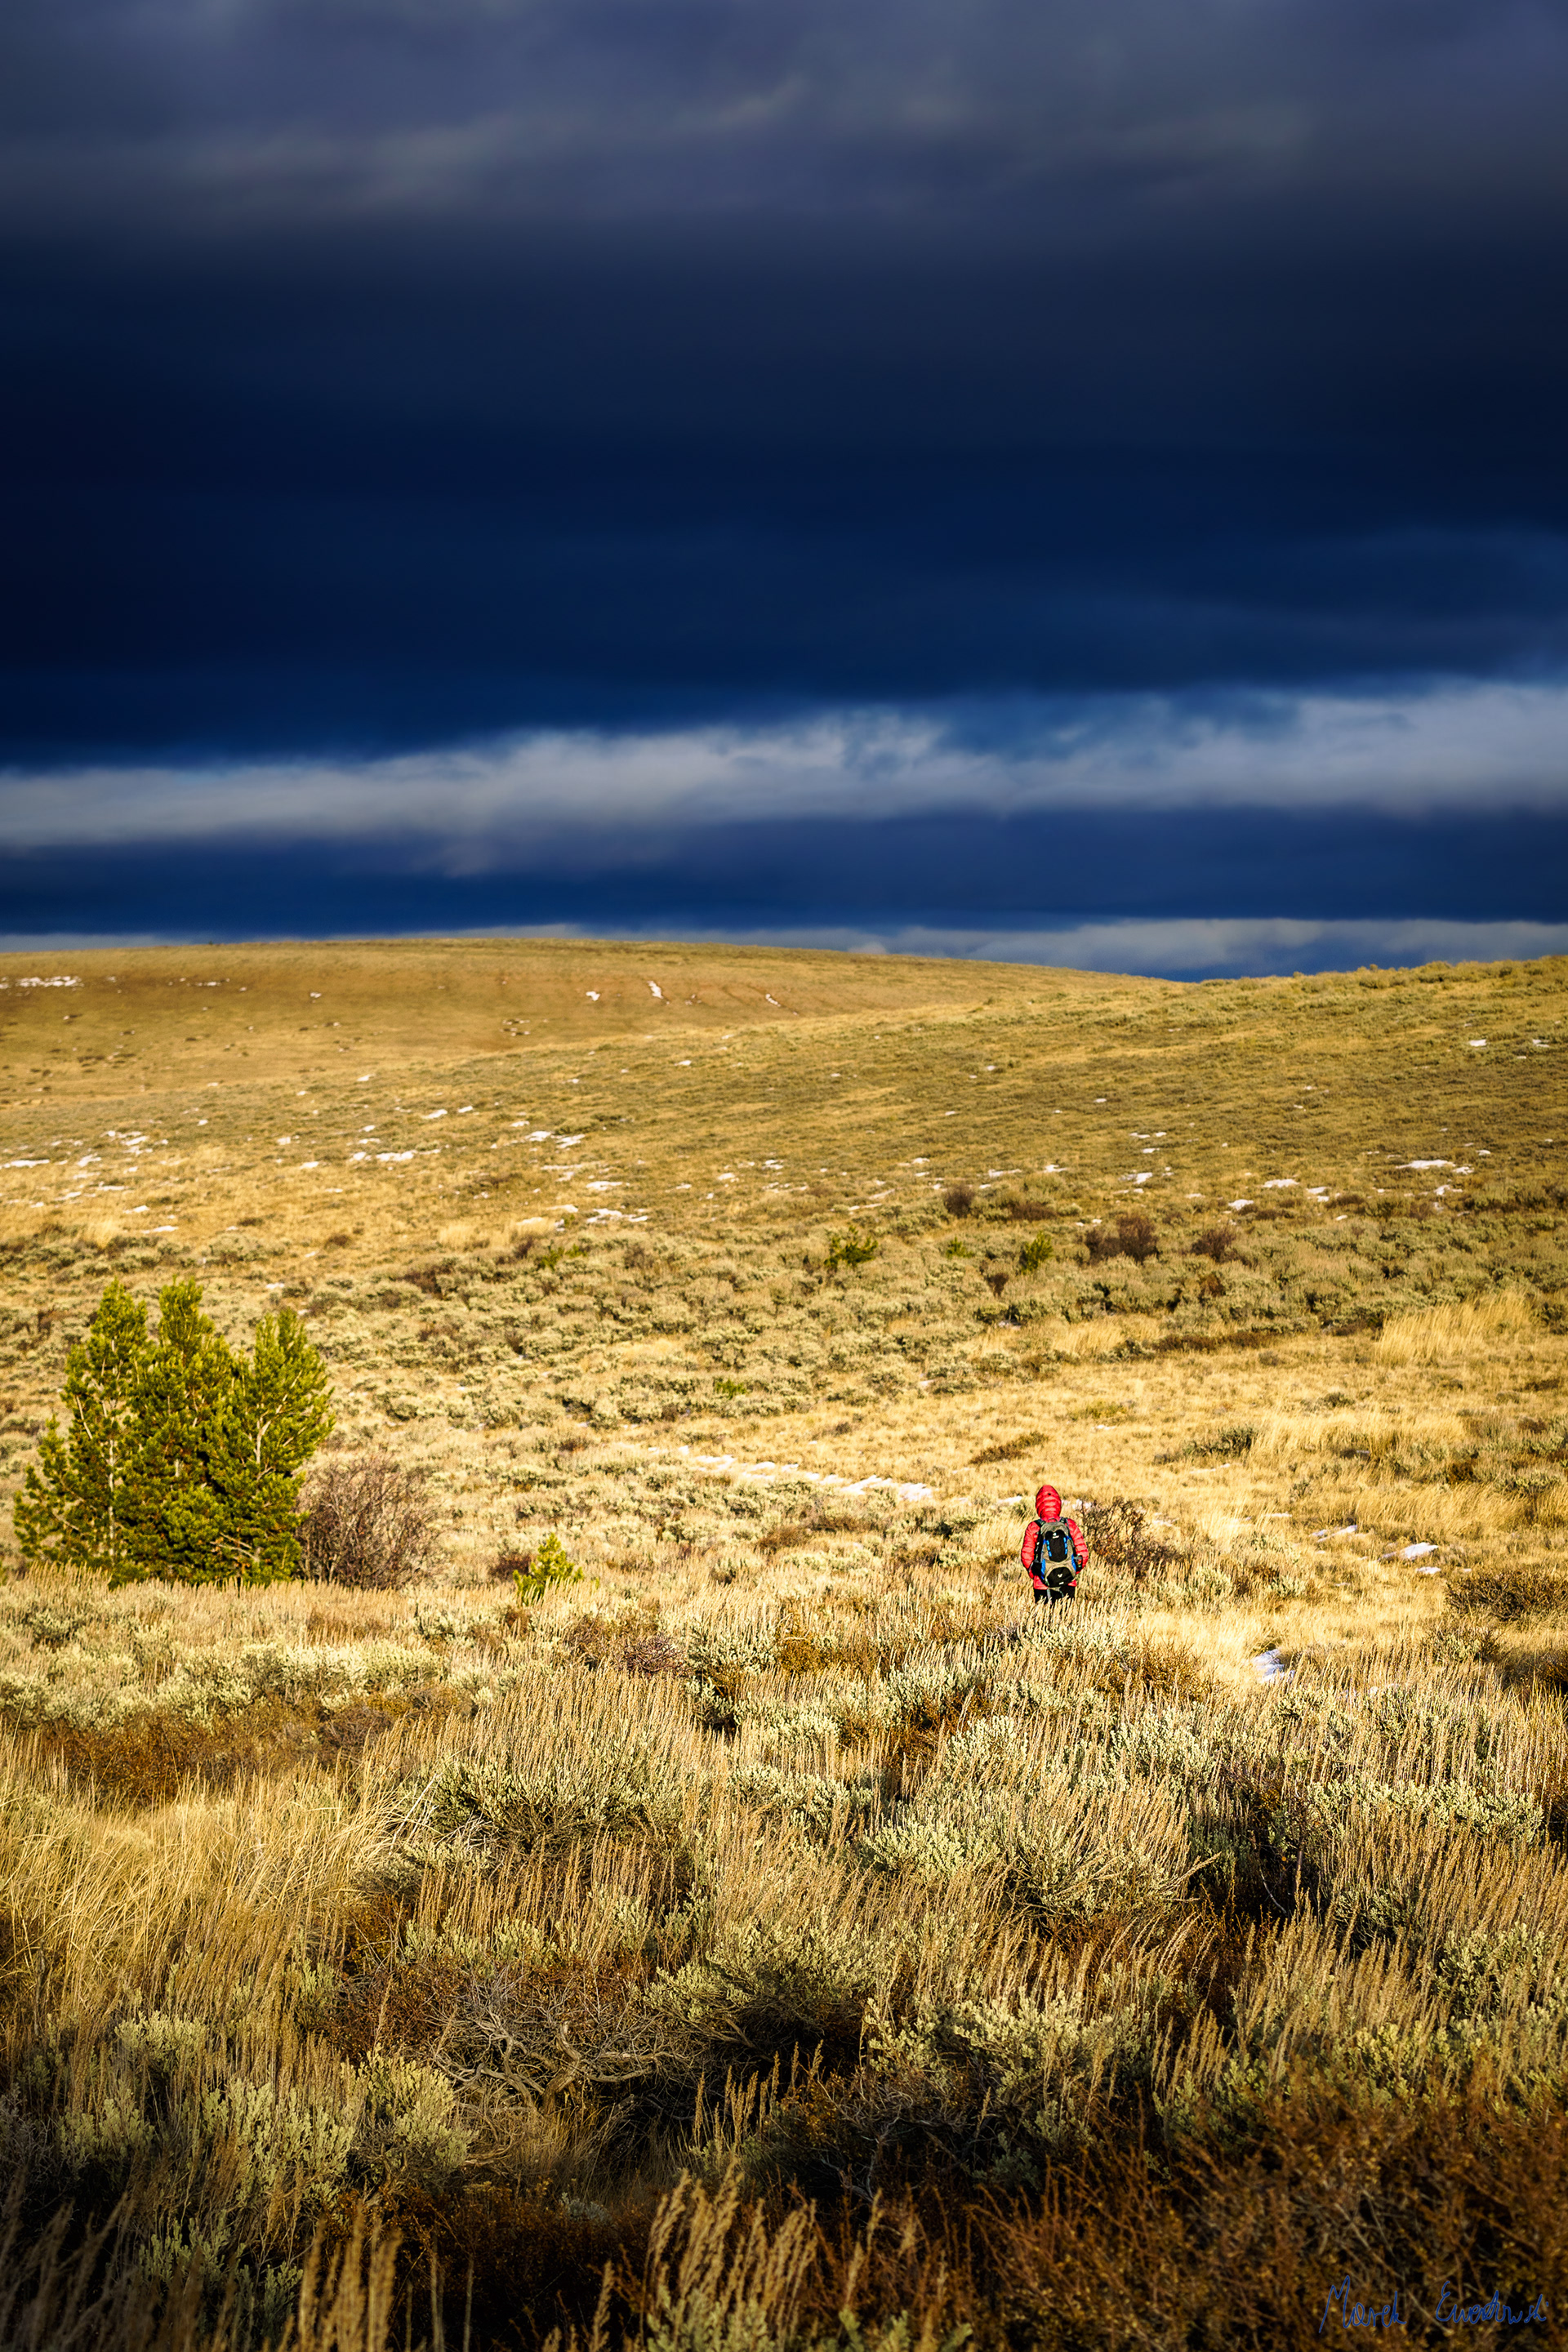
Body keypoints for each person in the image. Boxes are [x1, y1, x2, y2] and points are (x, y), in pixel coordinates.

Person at [1021, 1484, 1085, 1606]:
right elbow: (1083, 1553)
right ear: (1058, 1503)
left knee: (1044, 1620)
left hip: (1042, 1583)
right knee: (1067, 1620)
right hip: (1068, 1581)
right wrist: (1072, 1570)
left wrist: (1036, 1574)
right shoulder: (1068, 1524)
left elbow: (1026, 1555)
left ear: (1038, 1505)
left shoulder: (1034, 1527)